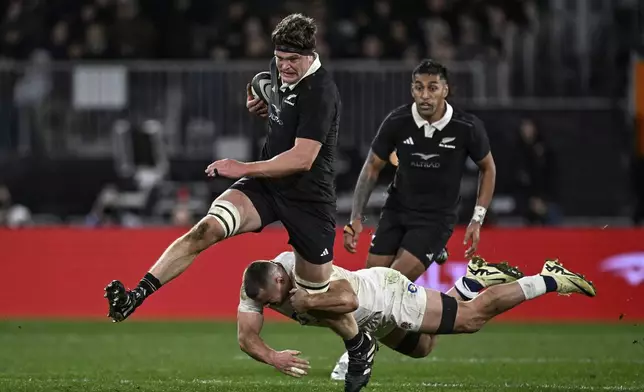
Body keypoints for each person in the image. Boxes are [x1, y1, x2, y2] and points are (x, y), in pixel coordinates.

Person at [104, 13, 376, 392]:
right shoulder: (279, 70)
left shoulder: (321, 91)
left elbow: (303, 158)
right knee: (205, 230)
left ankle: (358, 344)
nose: (284, 66)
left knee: (315, 299)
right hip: (267, 187)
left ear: (310, 55)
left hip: (308, 199)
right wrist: (256, 97)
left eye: (292, 60)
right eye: (279, 58)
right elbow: (261, 84)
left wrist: (240, 166)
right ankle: (138, 295)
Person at [336, 58, 497, 379]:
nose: (425, 95)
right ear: (412, 89)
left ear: (445, 91)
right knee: (370, 286)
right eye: (419, 87)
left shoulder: (466, 126)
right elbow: (371, 168)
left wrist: (477, 219)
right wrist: (356, 217)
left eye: (432, 88)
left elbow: (488, 168)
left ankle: (356, 353)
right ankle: (461, 289)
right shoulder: (397, 121)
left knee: (389, 284)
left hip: (435, 219)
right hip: (396, 211)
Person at [237, 251, 596, 377]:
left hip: (385, 297)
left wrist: (308, 302)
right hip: (369, 322)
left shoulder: (301, 270)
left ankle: (548, 278)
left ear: (282, 276)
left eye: (276, 298)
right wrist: (273, 358)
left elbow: (345, 301)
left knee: (470, 319)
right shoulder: (256, 284)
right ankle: (472, 280)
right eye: (268, 303)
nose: (273, 306)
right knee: (423, 348)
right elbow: (246, 336)